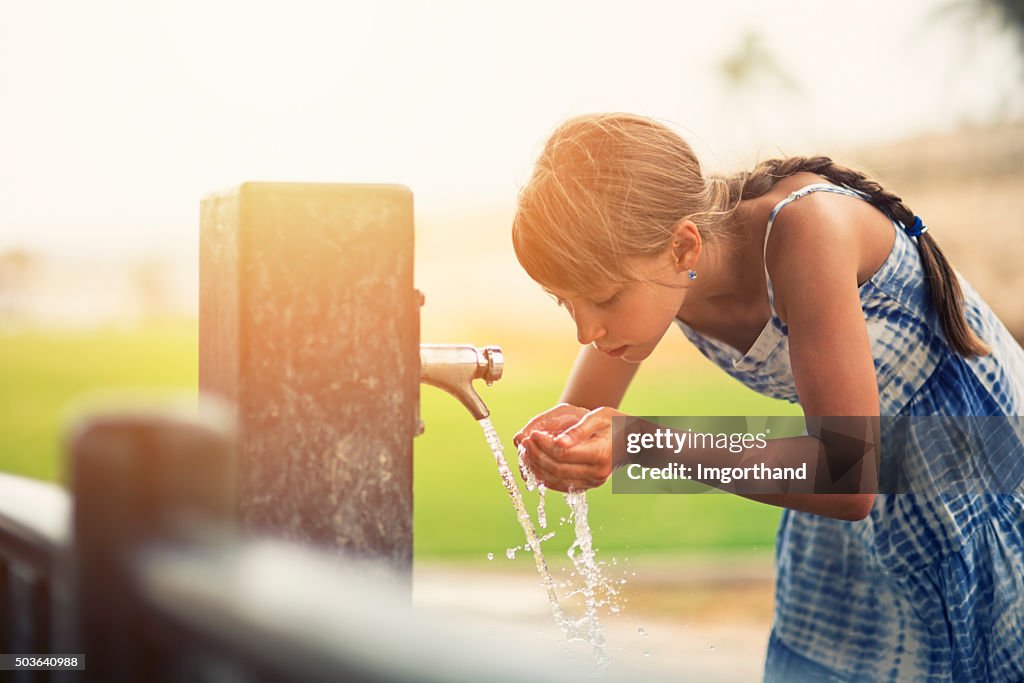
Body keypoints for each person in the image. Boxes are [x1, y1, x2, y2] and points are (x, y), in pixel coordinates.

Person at [511, 113, 1024, 682]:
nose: (586, 330)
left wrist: (643, 443)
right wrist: (564, 452)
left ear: (684, 246)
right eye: (566, 303)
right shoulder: (666, 277)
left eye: (603, 298)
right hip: (860, 478)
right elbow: (581, 418)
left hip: (975, 473)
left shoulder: (806, 231)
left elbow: (848, 478)